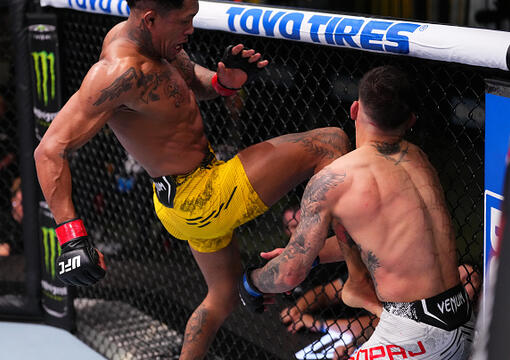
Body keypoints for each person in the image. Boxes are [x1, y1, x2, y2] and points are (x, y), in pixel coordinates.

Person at [33, 0, 351, 358]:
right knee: (331, 142)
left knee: (222, 296)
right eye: (184, 20)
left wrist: (222, 83)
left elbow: (190, 84)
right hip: (202, 196)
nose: (192, 29)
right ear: (151, 19)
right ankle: (317, 262)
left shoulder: (156, 44)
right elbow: (48, 150)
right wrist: (71, 237)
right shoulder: (118, 72)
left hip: (181, 203)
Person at [240, 65, 474, 359]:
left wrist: (252, 282)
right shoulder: (420, 160)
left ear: (354, 109)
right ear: (411, 120)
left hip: (412, 331)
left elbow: (288, 274)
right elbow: (382, 239)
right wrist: (310, 257)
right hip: (458, 313)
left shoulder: (335, 178)